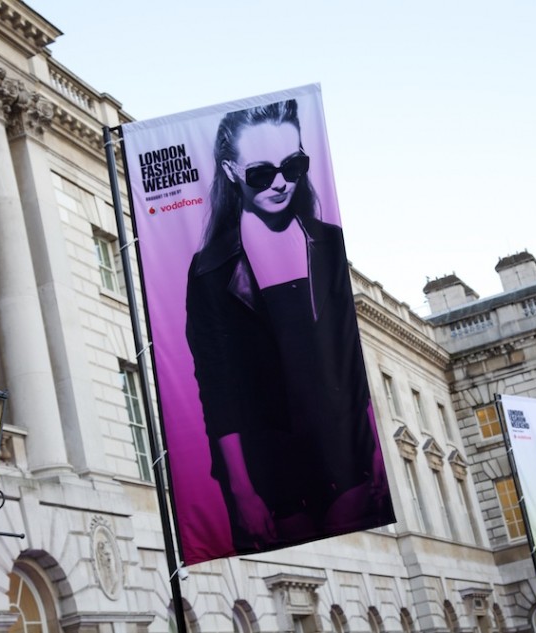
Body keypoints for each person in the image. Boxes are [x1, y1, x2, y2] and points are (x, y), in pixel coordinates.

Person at [185, 99, 393, 554]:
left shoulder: (329, 243)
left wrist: (376, 452)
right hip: (271, 475)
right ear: (231, 170)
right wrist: (242, 491)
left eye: (293, 165)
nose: (280, 182)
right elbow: (218, 391)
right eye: (261, 172)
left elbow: (350, 359)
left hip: (346, 459)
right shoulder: (210, 270)